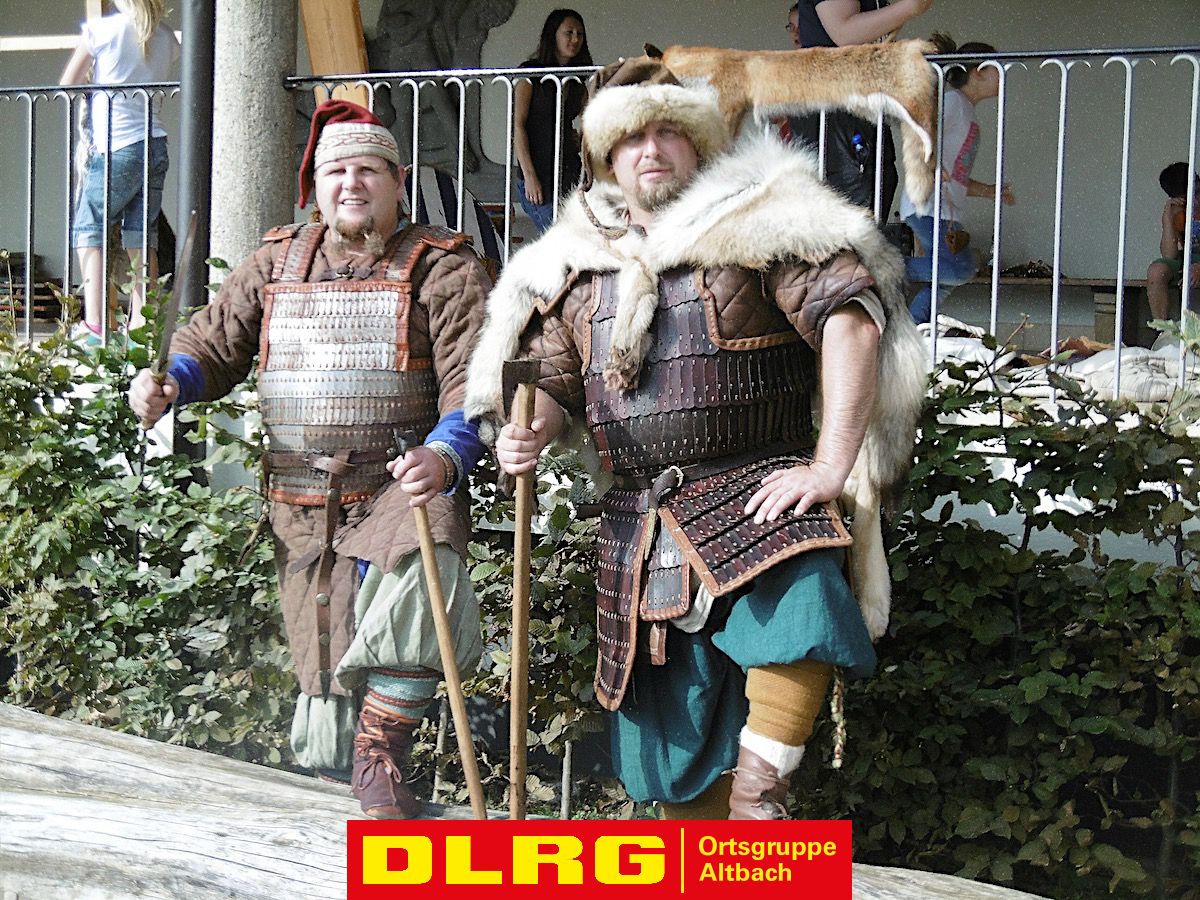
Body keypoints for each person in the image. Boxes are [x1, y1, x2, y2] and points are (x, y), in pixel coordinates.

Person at [465, 58, 926, 819]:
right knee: (672, 757)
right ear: (607, 157)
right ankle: (715, 856)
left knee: (802, 612)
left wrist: (829, 466)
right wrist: (530, 432)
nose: (651, 150)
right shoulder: (573, 264)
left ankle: (760, 798)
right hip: (640, 525)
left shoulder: (765, 217)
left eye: (669, 133)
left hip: (758, 492)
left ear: (700, 144)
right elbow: (548, 386)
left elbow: (852, 321)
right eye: (632, 137)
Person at [129, 100, 492, 819]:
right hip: (299, 499)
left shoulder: (443, 266)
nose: (351, 183)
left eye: (368, 170)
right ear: (316, 186)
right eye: (337, 171)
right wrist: (171, 382)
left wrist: (446, 454)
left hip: (399, 484)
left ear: (397, 181)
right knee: (323, 668)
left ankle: (380, 753)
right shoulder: (276, 261)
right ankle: (339, 789)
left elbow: (473, 378)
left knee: (424, 572)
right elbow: (213, 342)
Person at [60, 0, 179, 344]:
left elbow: (67, 84)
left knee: (89, 227)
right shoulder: (165, 36)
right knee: (142, 234)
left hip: (117, 145)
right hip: (155, 142)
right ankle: (143, 325)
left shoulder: (103, 30)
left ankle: (95, 324)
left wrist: (95, 80)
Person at [900, 35, 1014, 325]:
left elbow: (957, 174)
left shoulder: (966, 109)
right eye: (997, 69)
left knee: (944, 281)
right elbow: (920, 132)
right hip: (928, 205)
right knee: (959, 269)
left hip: (945, 211)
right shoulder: (953, 102)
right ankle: (884, 267)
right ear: (979, 72)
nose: (1003, 76)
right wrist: (931, 161)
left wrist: (989, 191)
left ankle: (915, 330)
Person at [787, 0, 933, 214]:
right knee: (853, 205)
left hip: (856, 107)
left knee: (876, 188)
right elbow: (844, 32)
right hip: (838, 109)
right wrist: (911, 7)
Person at [513, 9, 592, 233]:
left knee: (577, 237)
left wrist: (580, 139)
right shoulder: (531, 73)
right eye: (568, 32)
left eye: (579, 34)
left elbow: (589, 120)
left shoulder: (578, 80)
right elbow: (518, 125)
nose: (575, 39)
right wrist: (529, 176)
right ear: (553, 35)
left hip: (569, 171)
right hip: (538, 173)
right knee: (561, 237)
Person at [1147, 161, 1200, 322]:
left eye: (1196, 192)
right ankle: (1163, 329)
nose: (1194, 200)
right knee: (1157, 271)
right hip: (1187, 259)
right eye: (1185, 197)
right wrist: (1168, 217)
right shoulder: (1177, 210)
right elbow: (1169, 255)